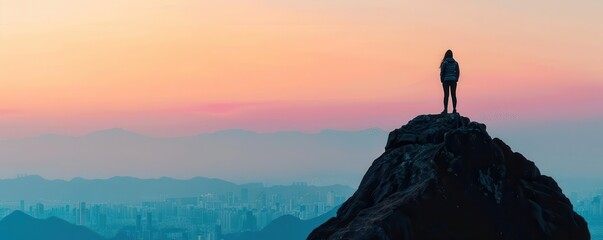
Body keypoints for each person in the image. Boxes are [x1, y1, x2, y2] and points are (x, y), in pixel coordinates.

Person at [439, 49, 460, 114]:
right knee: (453, 95)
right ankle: (454, 109)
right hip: (453, 80)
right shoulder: (456, 63)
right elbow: (458, 72)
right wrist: (456, 79)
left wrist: (441, 79)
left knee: (446, 95)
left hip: (446, 80)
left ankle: (445, 110)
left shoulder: (444, 62)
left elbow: (442, 72)